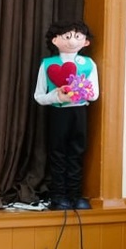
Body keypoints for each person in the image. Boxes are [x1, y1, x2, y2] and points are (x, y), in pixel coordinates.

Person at [34, 19, 99, 210]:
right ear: (55, 40)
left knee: (77, 152)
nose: (72, 41)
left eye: (78, 37)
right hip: (58, 113)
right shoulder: (48, 64)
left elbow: (94, 94)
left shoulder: (88, 64)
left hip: (80, 112)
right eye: (67, 36)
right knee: (57, 152)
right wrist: (57, 96)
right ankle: (58, 195)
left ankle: (75, 195)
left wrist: (81, 92)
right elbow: (39, 96)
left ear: (85, 41)